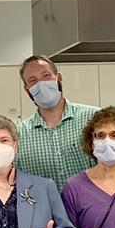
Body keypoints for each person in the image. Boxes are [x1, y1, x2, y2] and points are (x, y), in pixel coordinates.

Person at [15, 55, 99, 190]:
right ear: (27, 90)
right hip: (45, 211)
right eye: (33, 80)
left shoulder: (94, 118)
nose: (41, 84)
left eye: (46, 75)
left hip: (92, 209)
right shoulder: (19, 134)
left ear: (59, 78)